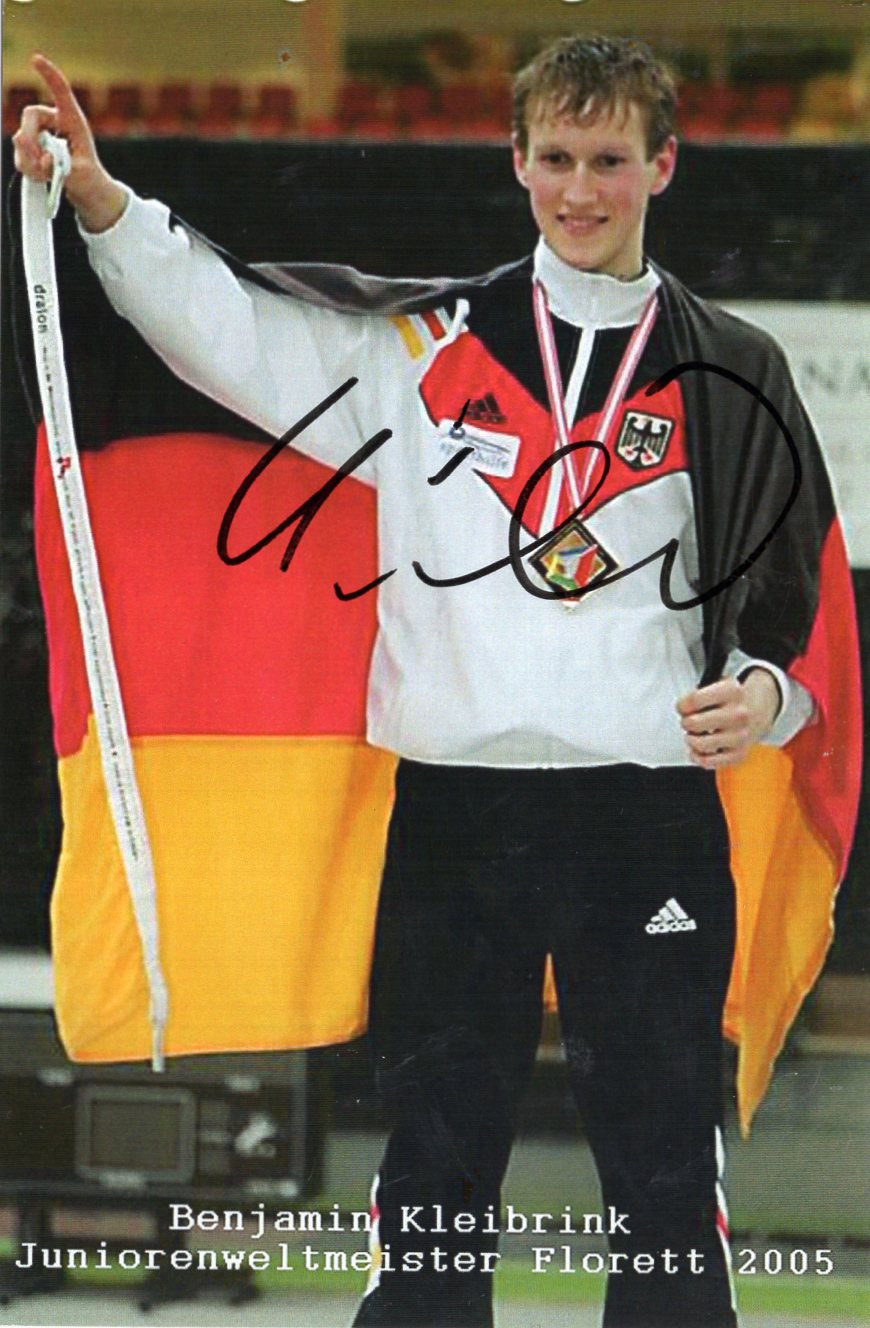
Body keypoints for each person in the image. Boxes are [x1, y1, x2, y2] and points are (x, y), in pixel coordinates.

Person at [13, 36, 859, 1328]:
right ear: (515, 162)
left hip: (644, 819)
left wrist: (766, 697)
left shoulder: (732, 367)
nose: (581, 190)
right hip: (460, 815)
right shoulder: (421, 347)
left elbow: (793, 603)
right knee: (434, 1177)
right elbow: (229, 336)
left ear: (664, 166)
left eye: (610, 161)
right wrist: (102, 203)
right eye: (557, 158)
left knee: (664, 1184)